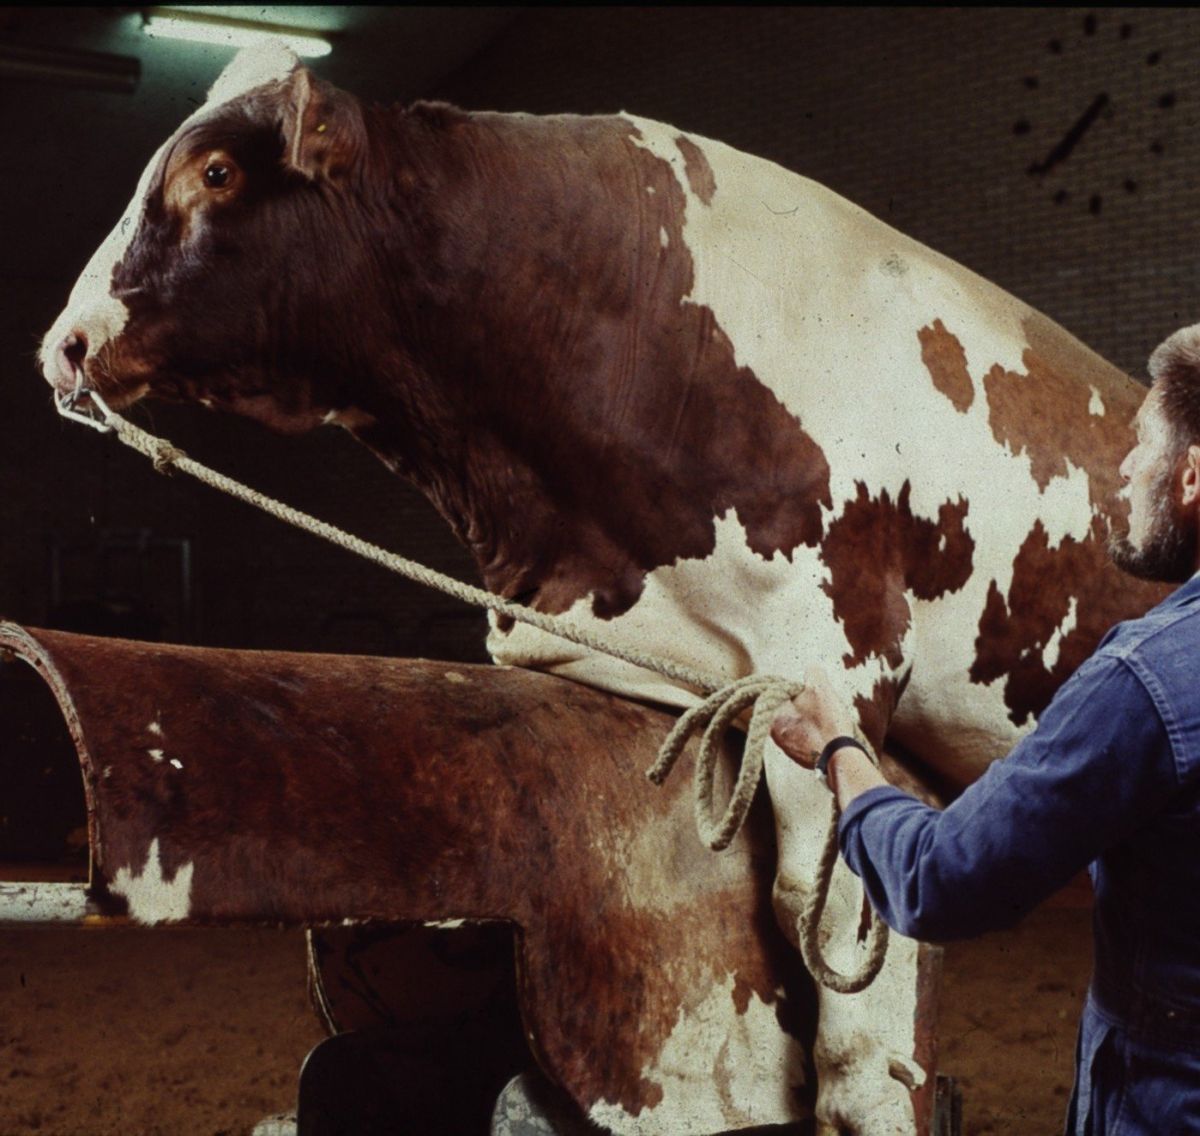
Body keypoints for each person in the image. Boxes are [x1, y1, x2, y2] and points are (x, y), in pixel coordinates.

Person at [770, 358, 1200, 1136]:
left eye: (1143, 443)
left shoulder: (1147, 679)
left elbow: (942, 878)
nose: (1128, 467)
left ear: (1193, 476)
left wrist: (840, 745)